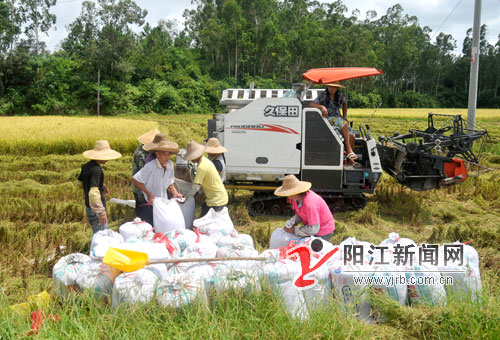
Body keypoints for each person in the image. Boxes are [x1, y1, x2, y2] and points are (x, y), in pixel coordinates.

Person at [131, 140, 183, 226]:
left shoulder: (170, 165)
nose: (167, 157)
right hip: (150, 204)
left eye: (168, 154)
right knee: (150, 228)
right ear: (157, 154)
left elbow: (170, 182)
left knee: (162, 227)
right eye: (164, 154)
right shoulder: (151, 166)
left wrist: (176, 194)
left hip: (162, 204)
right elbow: (135, 180)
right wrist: (149, 194)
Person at [78, 140, 122, 234]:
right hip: (96, 211)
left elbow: (81, 182)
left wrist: (101, 187)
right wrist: (101, 212)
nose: (107, 159)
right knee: (101, 237)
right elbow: (93, 192)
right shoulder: (96, 170)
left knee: (97, 234)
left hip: (89, 207)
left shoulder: (86, 166)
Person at [309, 82, 358, 165]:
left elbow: (345, 103)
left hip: (339, 119)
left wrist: (345, 116)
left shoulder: (340, 95)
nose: (331, 89)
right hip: (328, 119)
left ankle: (350, 159)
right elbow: (311, 104)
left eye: (334, 87)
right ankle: (349, 149)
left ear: (337, 88)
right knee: (343, 123)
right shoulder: (323, 95)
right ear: (327, 86)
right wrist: (322, 107)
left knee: (352, 136)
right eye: (330, 86)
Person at [274, 174, 335, 241]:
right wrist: (292, 222)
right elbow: (300, 213)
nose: (287, 195)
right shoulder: (294, 199)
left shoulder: (310, 203)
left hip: (323, 231)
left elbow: (314, 229)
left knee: (314, 250)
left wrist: (294, 230)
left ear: (295, 191)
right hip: (311, 227)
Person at [183, 140, 228, 218]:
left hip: (217, 200)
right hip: (214, 198)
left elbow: (195, 188)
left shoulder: (202, 167)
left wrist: (185, 198)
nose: (190, 159)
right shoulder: (205, 161)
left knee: (207, 224)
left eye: (191, 156)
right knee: (204, 218)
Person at [132, 128, 160, 216]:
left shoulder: (149, 152)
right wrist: (142, 192)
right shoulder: (141, 154)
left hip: (148, 186)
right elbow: (141, 175)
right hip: (140, 186)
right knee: (142, 210)